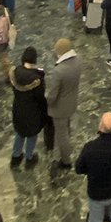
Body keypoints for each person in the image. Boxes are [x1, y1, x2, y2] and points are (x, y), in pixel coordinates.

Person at [46, 37, 82, 170]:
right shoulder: (78, 61)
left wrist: (46, 99)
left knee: (61, 135)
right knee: (66, 128)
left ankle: (66, 160)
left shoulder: (59, 71)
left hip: (59, 108)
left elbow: (52, 95)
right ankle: (65, 149)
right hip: (71, 103)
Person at [10, 46, 48, 168]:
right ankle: (29, 158)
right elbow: (40, 98)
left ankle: (16, 157)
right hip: (32, 112)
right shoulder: (37, 79)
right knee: (31, 135)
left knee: (19, 133)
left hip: (18, 108)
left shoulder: (14, 72)